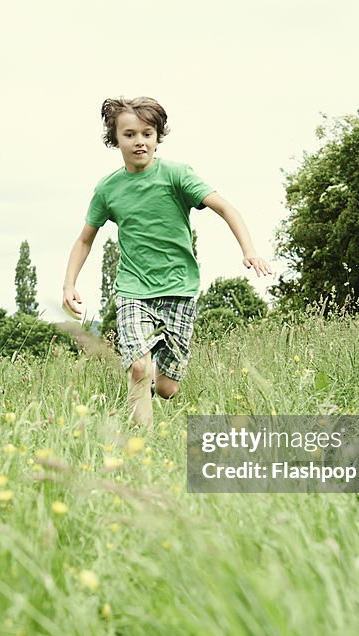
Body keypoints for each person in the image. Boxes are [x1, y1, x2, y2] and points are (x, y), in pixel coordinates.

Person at [62, 97, 274, 427]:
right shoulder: (108, 189)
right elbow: (85, 239)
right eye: (129, 134)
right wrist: (69, 283)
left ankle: (164, 377)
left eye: (147, 133)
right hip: (133, 289)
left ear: (157, 137)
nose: (139, 142)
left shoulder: (176, 175)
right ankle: (141, 444)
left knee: (167, 388)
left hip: (178, 288)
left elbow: (225, 208)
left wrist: (249, 249)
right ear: (115, 138)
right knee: (138, 367)